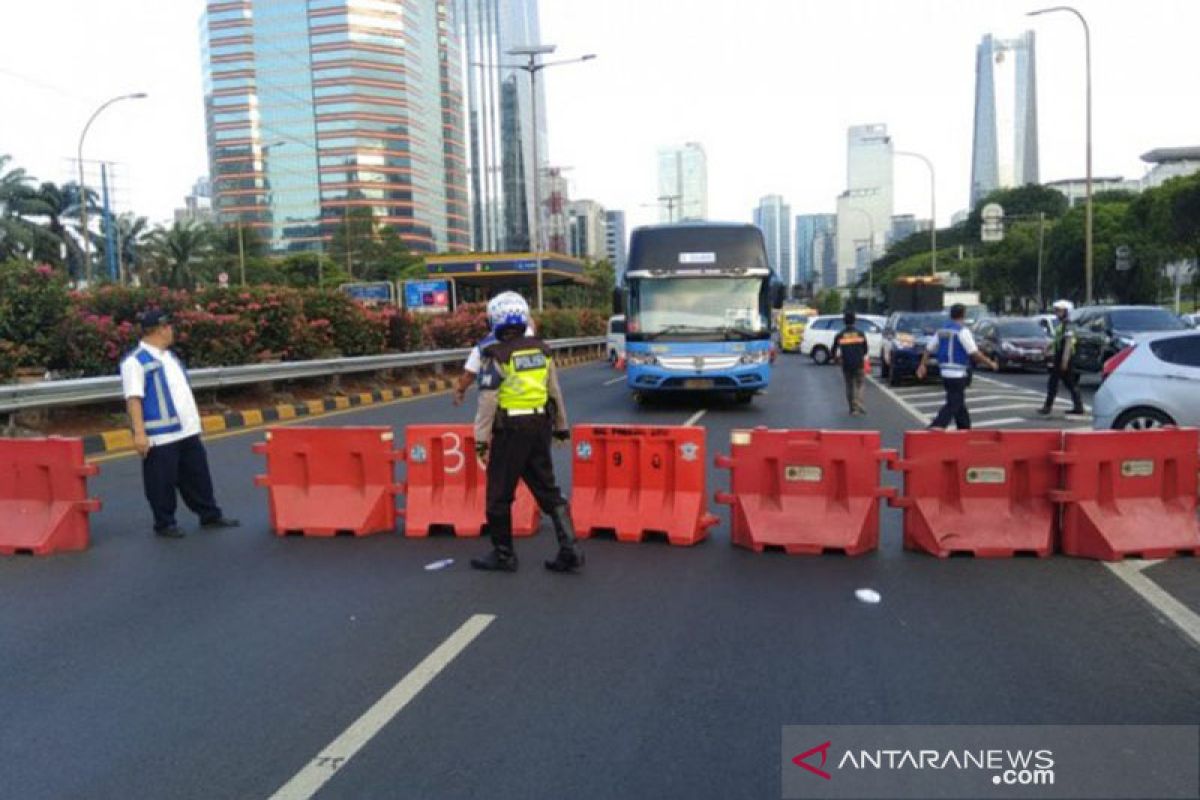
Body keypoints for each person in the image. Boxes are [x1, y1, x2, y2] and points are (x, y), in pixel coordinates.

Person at [470, 292, 583, 573]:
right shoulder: (541, 351)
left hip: (510, 431)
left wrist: (481, 442)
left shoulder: (496, 355)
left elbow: (487, 402)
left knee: (499, 494)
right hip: (539, 428)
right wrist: (561, 427)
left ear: (494, 320)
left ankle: (504, 555)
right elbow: (554, 392)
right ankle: (570, 548)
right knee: (547, 489)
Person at [120, 310, 240, 538]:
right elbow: (134, 399)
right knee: (161, 481)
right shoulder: (135, 361)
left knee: (197, 475)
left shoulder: (169, 357)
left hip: (186, 430)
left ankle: (209, 514)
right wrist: (139, 434)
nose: (171, 331)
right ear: (159, 329)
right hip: (160, 433)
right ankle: (164, 523)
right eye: (169, 327)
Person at [916, 304, 998, 430]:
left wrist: (922, 365)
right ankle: (938, 424)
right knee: (955, 402)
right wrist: (990, 363)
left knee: (958, 402)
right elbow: (974, 353)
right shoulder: (963, 331)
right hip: (957, 372)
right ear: (963, 315)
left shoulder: (942, 331)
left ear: (951, 315)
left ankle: (964, 428)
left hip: (944, 371)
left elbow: (928, 349)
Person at [452, 320, 535, 406]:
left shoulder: (483, 348)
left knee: (486, 411)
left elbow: (469, 376)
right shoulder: (534, 342)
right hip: (537, 403)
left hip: (506, 405)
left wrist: (460, 391)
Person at [1039, 299, 1085, 416]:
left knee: (1055, 382)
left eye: (1059, 311)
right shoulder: (1063, 325)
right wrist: (1048, 348)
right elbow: (1057, 340)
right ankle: (1078, 406)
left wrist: (1064, 361)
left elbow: (1068, 343)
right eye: (1056, 310)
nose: (1056, 313)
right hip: (1061, 356)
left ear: (1067, 312)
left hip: (1066, 357)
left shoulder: (1069, 325)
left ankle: (1048, 407)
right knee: (1069, 382)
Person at [830, 310, 869, 416]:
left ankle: (853, 408)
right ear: (855, 321)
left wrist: (836, 358)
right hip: (858, 363)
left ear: (844, 321)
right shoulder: (860, 334)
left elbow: (833, 350)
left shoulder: (840, 335)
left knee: (849, 385)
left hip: (846, 363)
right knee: (860, 384)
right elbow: (866, 349)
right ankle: (859, 403)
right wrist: (860, 354)